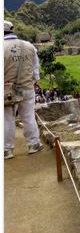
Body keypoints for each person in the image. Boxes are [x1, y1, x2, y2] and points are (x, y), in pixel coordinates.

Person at [4, 21, 43, 159]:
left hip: (7, 91)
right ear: (12, 30)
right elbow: (35, 70)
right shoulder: (29, 46)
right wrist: (31, 82)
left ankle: (6, 150)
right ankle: (33, 144)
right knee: (28, 116)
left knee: (7, 119)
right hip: (26, 88)